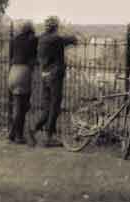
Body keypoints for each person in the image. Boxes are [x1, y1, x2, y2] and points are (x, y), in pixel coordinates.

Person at [28, 16, 78, 147]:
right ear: (56, 27)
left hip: (44, 75)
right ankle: (48, 138)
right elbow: (72, 40)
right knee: (55, 107)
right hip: (55, 76)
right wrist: (74, 38)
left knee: (47, 107)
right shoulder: (55, 39)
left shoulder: (42, 38)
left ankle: (33, 129)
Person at [7, 21, 38, 144]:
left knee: (21, 106)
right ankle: (16, 135)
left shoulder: (14, 39)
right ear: (31, 30)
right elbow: (36, 57)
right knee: (22, 108)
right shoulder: (33, 40)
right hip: (23, 73)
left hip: (13, 72)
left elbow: (11, 57)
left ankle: (14, 134)